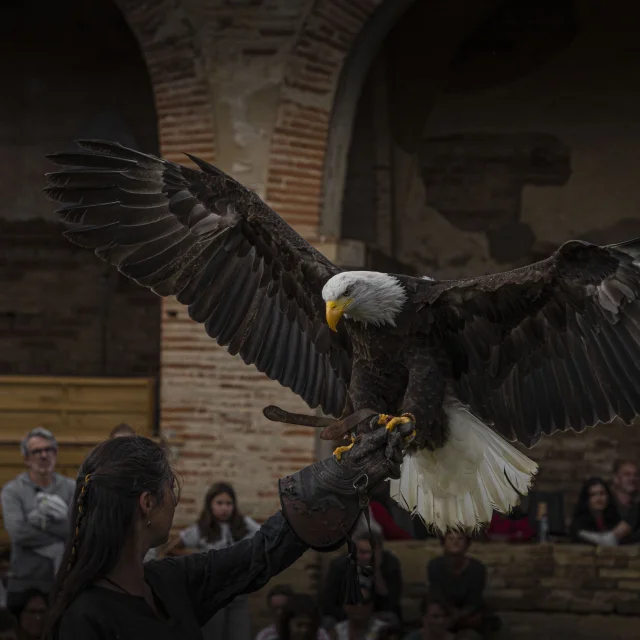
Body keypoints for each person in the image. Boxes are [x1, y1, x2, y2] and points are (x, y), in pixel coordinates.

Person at [43, 415, 410, 640]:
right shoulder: (84, 617)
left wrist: (338, 479)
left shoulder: (169, 581)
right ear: (147, 504)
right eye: (171, 488)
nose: (176, 500)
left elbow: (257, 556)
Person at [0, 428, 74, 612]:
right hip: (24, 581)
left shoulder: (71, 487)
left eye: (49, 450)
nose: (44, 455)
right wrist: (60, 533)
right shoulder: (12, 491)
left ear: (56, 454)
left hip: (64, 582)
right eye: (36, 451)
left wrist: (39, 525)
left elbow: (75, 530)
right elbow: (18, 534)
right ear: (26, 458)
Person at [176, 482, 261, 640]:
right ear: (210, 504)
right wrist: (198, 560)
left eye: (229, 503)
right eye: (219, 503)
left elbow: (263, 538)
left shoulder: (243, 524)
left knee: (240, 634)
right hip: (212, 592)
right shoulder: (201, 529)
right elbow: (171, 549)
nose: (224, 508)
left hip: (238, 592)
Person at [321, 532, 402, 627]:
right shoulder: (339, 566)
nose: (368, 557)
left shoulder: (390, 565)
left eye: (372, 552)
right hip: (345, 615)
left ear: (380, 551)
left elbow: (391, 603)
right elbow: (328, 603)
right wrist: (353, 616)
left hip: (376, 614)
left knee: (391, 618)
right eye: (363, 552)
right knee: (327, 621)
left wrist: (377, 572)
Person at [427, 532, 498, 639]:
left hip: (469, 615)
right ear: (443, 542)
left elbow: (474, 600)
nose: (455, 542)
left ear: (467, 544)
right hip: (443, 613)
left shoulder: (477, 568)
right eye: (451, 538)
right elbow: (437, 594)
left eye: (460, 539)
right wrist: (449, 617)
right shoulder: (434, 566)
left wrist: (457, 618)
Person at [570, 478, 629, 546]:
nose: (599, 498)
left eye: (602, 494)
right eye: (593, 494)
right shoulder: (579, 523)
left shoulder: (614, 519)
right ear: (587, 499)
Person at [610, 460, 640, 542]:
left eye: (636, 475)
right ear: (616, 478)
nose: (632, 478)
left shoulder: (635, 507)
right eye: (627, 474)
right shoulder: (608, 504)